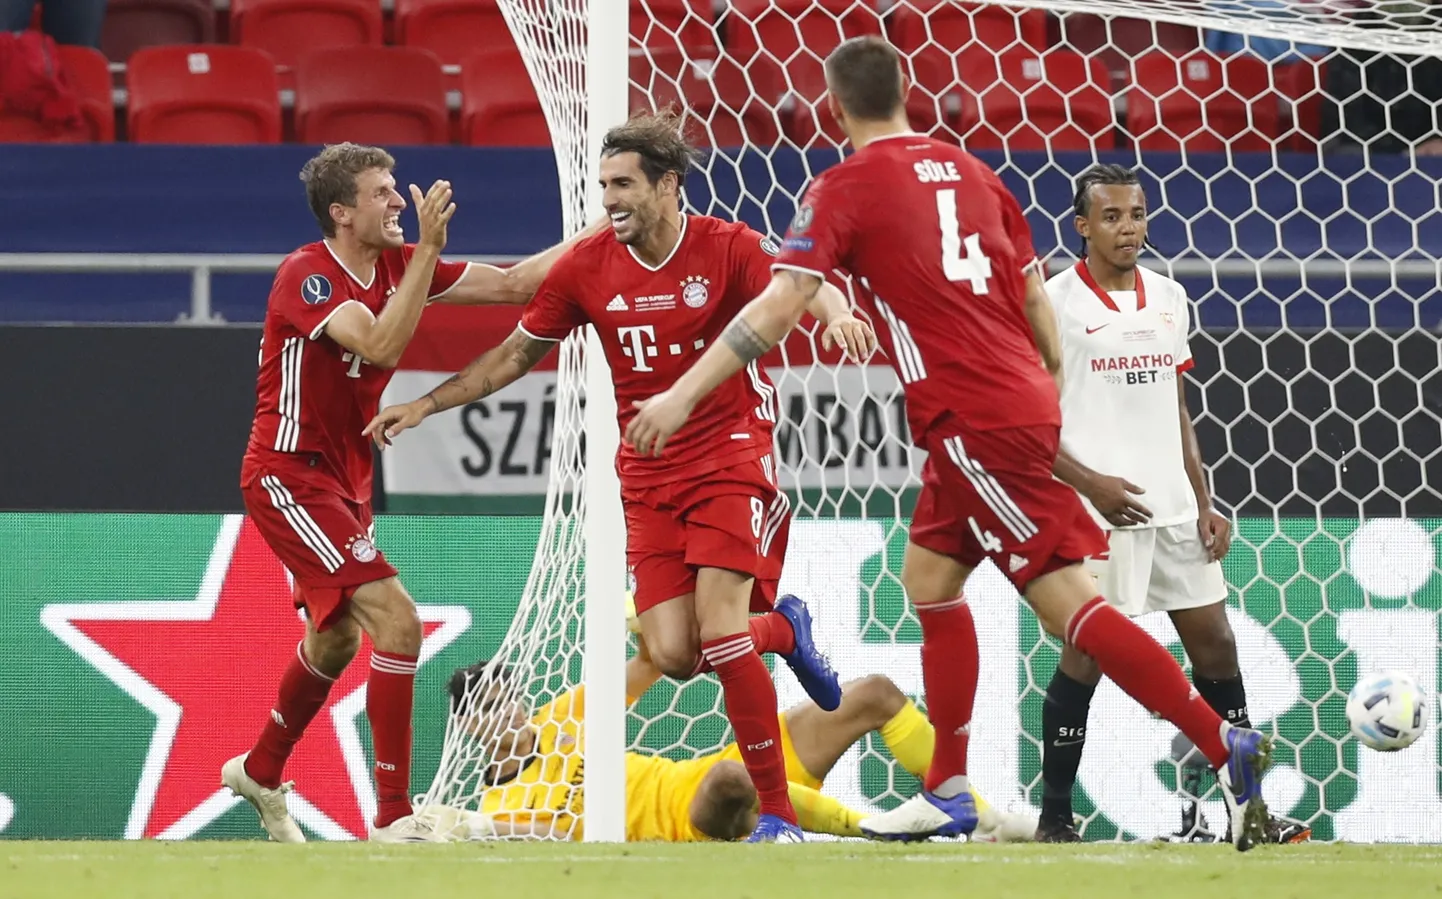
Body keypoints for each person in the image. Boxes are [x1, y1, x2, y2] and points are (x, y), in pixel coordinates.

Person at [624, 36, 1275, 851]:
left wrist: (683, 392)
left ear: (835, 109)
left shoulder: (844, 186)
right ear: (907, 96)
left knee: (1069, 604)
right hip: (993, 411)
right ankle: (950, 786)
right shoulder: (976, 173)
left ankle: (1223, 744)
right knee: (929, 578)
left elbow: (784, 299)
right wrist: (1040, 379)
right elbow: (1036, 295)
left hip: (974, 418)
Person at [366, 111, 875, 843]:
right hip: (646, 471)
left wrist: (838, 311)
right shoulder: (587, 265)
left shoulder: (726, 246)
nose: (610, 199)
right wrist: (427, 402)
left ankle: (779, 816)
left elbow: (800, 282)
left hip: (730, 452)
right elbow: (512, 354)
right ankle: (784, 629)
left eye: (625, 183)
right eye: (603, 185)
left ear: (669, 185)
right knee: (673, 653)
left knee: (724, 637)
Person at [222, 142, 598, 843]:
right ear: (341, 213)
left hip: (343, 478)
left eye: (397, 189)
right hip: (288, 473)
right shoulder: (308, 275)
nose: (399, 201)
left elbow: (518, 283)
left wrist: (602, 226)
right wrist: (427, 251)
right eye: (381, 192)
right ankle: (395, 815)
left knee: (333, 641)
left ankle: (262, 767)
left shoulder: (397, 263)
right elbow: (383, 345)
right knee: (399, 623)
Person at [1035, 163, 1310, 845]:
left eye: (1136, 214)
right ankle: (1055, 815)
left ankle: (1249, 809)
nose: (1128, 228)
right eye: (1111, 216)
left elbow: (1175, 404)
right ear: (1081, 225)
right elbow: (1028, 419)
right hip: (1097, 514)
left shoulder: (1167, 295)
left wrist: (1204, 499)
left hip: (1173, 508)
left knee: (1216, 645)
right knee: (1086, 659)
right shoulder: (1053, 300)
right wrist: (1089, 482)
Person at [426, 635, 1038, 843]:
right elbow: (549, 833)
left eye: (509, 695)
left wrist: (642, 620)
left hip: (705, 765)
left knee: (874, 692)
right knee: (733, 780)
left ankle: (977, 815)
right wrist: (479, 828)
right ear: (470, 729)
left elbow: (649, 665)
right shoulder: (497, 810)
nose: (508, 710)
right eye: (489, 706)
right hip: (686, 819)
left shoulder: (564, 718)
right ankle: (875, 829)